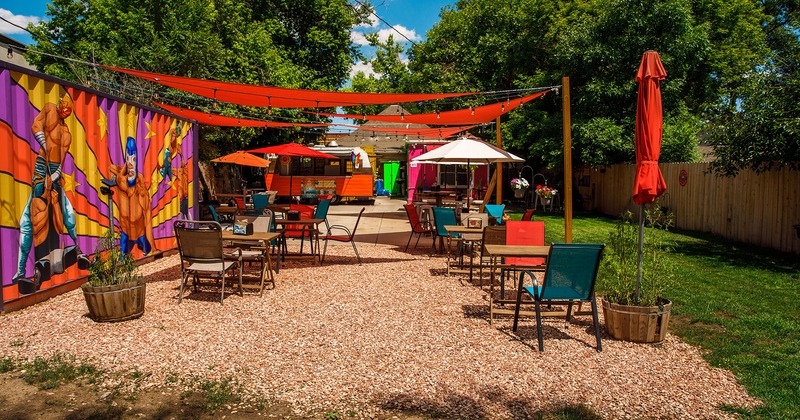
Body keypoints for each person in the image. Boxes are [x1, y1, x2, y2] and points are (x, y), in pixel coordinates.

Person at [13, 95, 88, 287]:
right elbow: (35, 126)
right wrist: (44, 145)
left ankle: (76, 250)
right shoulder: (49, 109)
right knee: (32, 219)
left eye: (68, 110)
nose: (65, 111)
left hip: (55, 171)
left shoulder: (67, 133)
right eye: (64, 107)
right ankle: (23, 270)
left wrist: (55, 176)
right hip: (41, 167)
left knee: (64, 212)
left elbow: (61, 161)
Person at [104, 136, 157, 256]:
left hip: (140, 234)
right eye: (128, 159)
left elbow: (147, 216)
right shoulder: (121, 180)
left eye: (133, 159)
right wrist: (123, 169)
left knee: (146, 249)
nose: (131, 163)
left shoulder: (139, 183)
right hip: (125, 232)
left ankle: (144, 246)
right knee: (122, 256)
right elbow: (110, 168)